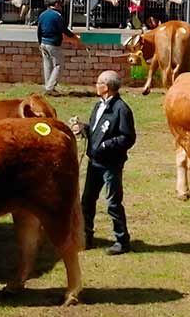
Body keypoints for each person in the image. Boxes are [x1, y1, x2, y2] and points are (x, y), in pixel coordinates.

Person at [79, 70, 136, 255]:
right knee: (87, 201)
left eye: (98, 83)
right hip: (94, 162)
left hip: (110, 164)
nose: (96, 86)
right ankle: (86, 236)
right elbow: (97, 130)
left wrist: (105, 145)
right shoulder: (98, 106)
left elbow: (127, 137)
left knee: (112, 202)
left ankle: (122, 240)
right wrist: (84, 129)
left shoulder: (121, 109)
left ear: (107, 87)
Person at [36, 0, 79, 94]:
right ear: (56, 5)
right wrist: (74, 37)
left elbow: (39, 30)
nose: (61, 6)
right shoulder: (57, 16)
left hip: (43, 42)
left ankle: (48, 87)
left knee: (47, 65)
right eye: (60, 4)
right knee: (58, 65)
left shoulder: (42, 14)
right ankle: (49, 88)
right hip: (53, 44)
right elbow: (64, 30)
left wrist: (39, 43)